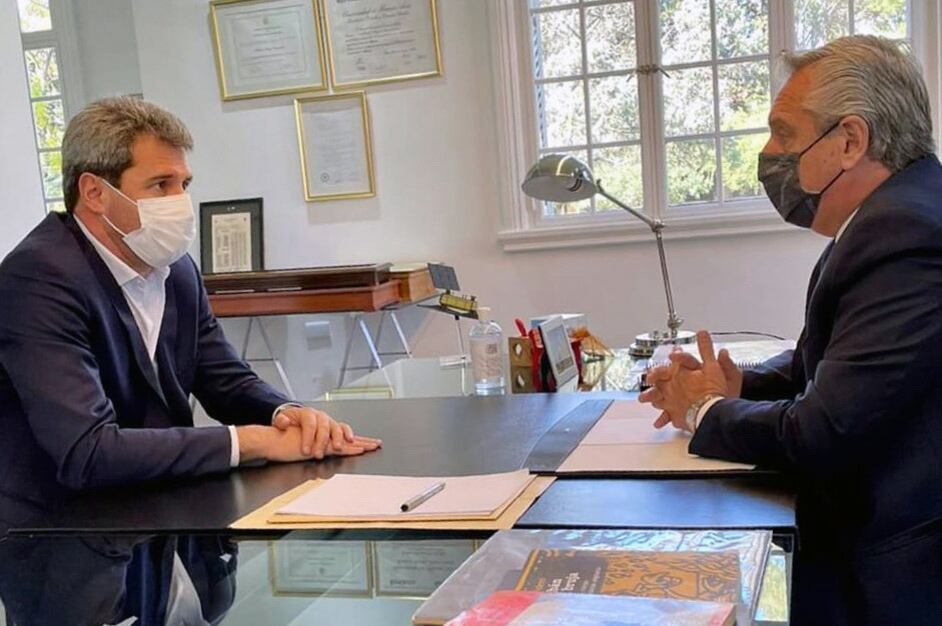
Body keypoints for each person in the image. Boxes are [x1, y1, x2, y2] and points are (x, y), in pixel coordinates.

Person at [640, 35, 942, 625]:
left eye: (784, 133)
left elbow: (822, 432)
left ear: (850, 141)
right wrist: (738, 385)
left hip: (894, 576)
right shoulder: (889, 216)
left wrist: (702, 410)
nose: (769, 152)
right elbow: (819, 366)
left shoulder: (906, 234)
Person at [0, 97, 380, 528]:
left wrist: (284, 414)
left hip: (165, 515)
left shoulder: (175, 267)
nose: (180, 201)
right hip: (64, 538)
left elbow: (223, 378)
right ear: (95, 194)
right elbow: (87, 451)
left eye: (185, 183)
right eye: (161, 185)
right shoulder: (37, 278)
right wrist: (251, 442)